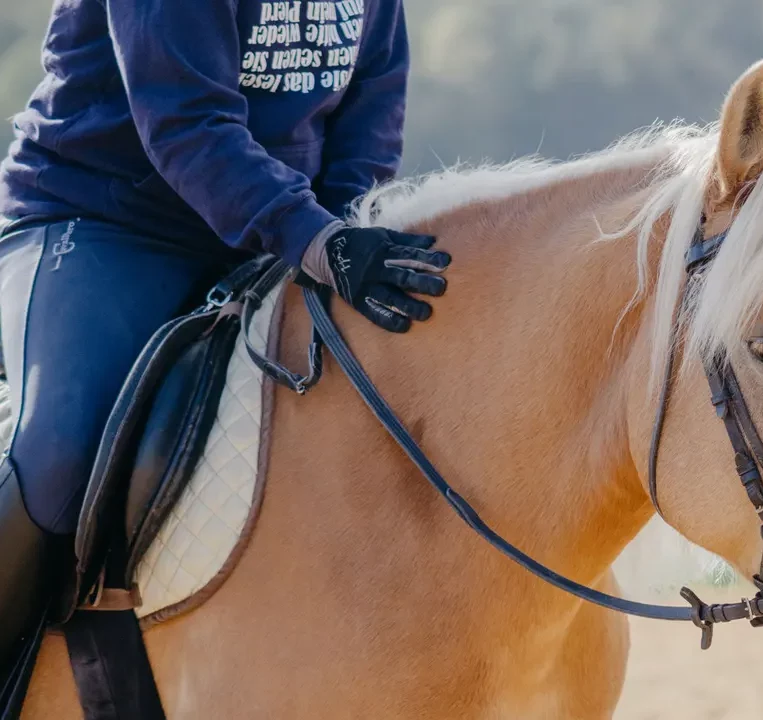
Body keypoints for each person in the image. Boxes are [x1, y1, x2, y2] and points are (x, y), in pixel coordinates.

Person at [0, 0, 451, 692]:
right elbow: (186, 123)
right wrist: (316, 239)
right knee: (58, 452)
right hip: (104, 222)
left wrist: (341, 226)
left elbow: (371, 104)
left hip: (280, 231)